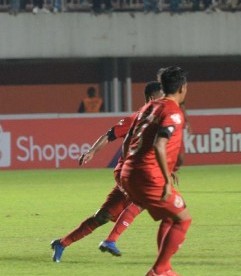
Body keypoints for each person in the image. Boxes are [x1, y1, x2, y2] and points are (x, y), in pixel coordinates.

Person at [50, 81, 163, 263]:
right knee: (144, 199)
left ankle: (62, 243)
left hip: (139, 175)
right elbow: (110, 135)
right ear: (152, 98)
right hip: (128, 173)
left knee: (103, 216)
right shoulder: (136, 119)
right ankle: (110, 241)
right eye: (162, 97)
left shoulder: (159, 121)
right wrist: (92, 152)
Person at [120, 66, 191, 276]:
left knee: (171, 216)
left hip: (129, 172)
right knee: (184, 219)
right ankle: (159, 270)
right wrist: (167, 179)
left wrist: (128, 167)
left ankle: (165, 268)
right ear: (182, 88)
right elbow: (160, 145)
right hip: (148, 175)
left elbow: (128, 139)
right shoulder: (173, 113)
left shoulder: (149, 107)